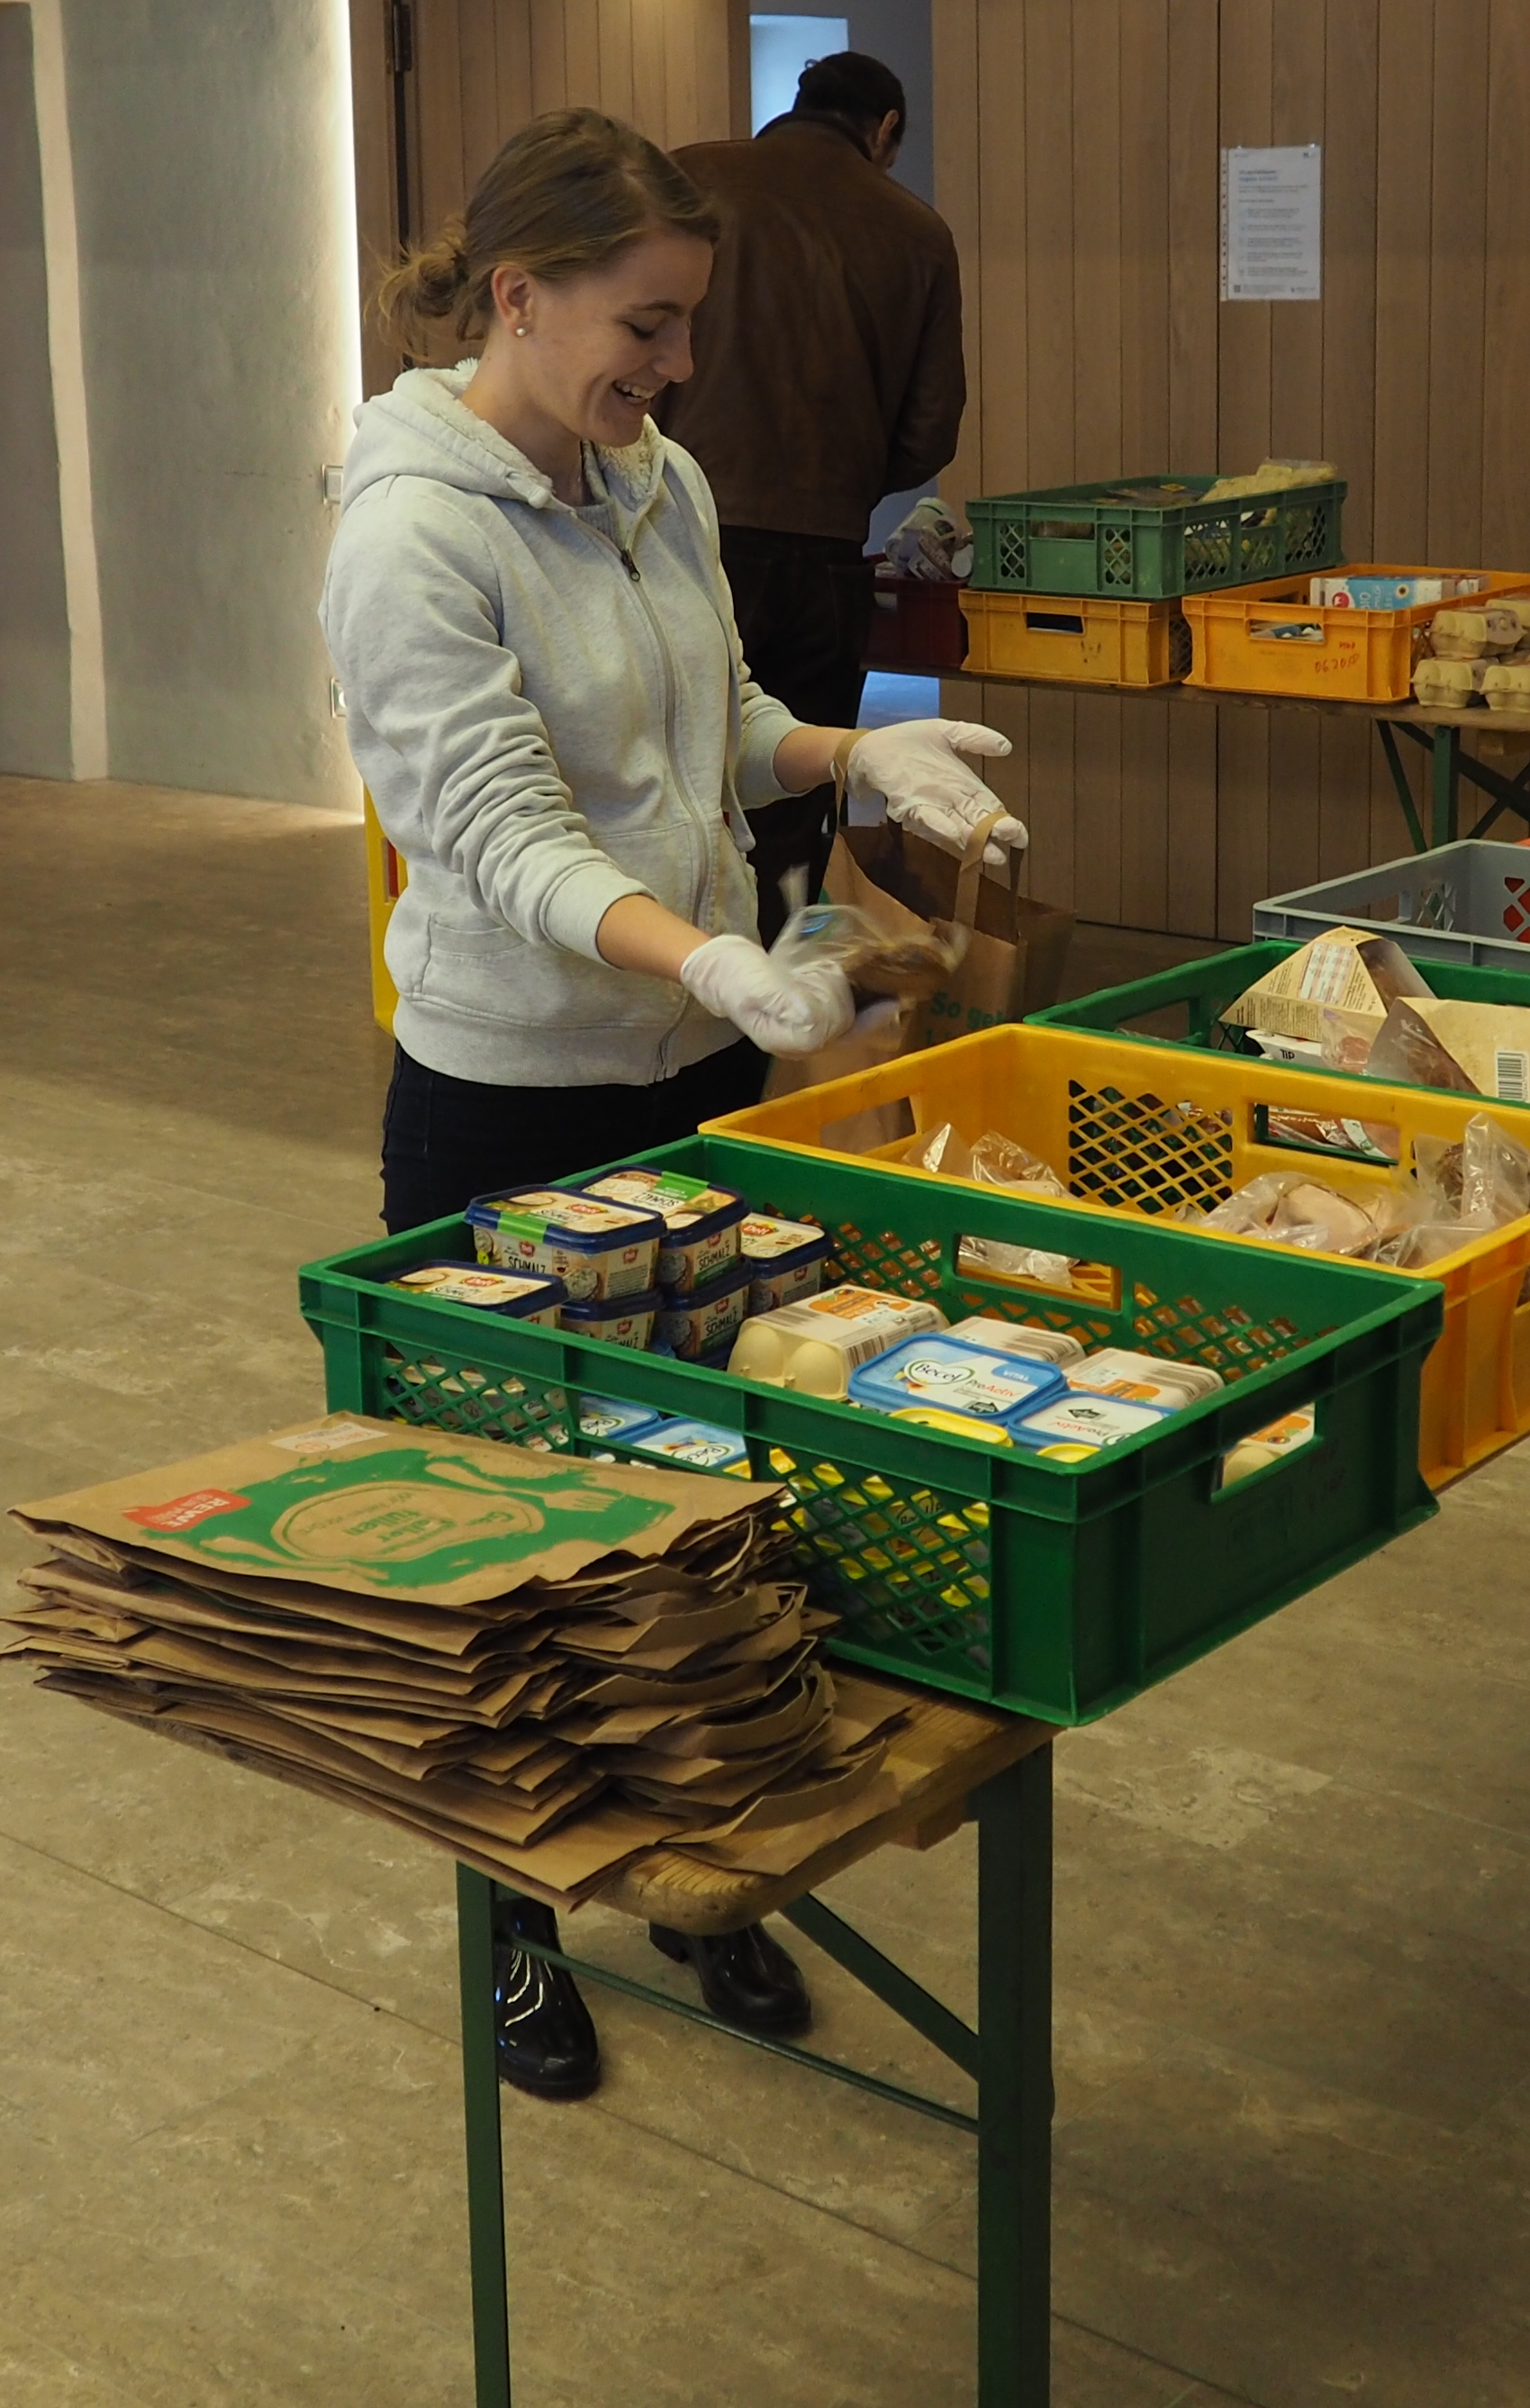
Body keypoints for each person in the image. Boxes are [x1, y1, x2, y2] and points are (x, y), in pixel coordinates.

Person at [321, 104, 1028, 2106]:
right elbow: (499, 839)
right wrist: (712, 957)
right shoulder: (410, 535)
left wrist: (854, 761)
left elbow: (712, 729)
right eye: (646, 322)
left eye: (690, 324)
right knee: (512, 1561)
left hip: (690, 1076)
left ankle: (705, 1885)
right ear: (518, 297)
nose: (678, 365)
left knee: (707, 1523)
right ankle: (515, 1930)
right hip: (510, 1104)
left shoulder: (659, 481)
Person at [660, 51, 966, 926]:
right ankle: (773, 1016)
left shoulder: (693, 178)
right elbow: (926, 436)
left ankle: (673, 981)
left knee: (674, 776)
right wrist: (843, 474)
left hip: (680, 532)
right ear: (886, 131)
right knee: (797, 789)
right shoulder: (918, 233)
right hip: (823, 560)